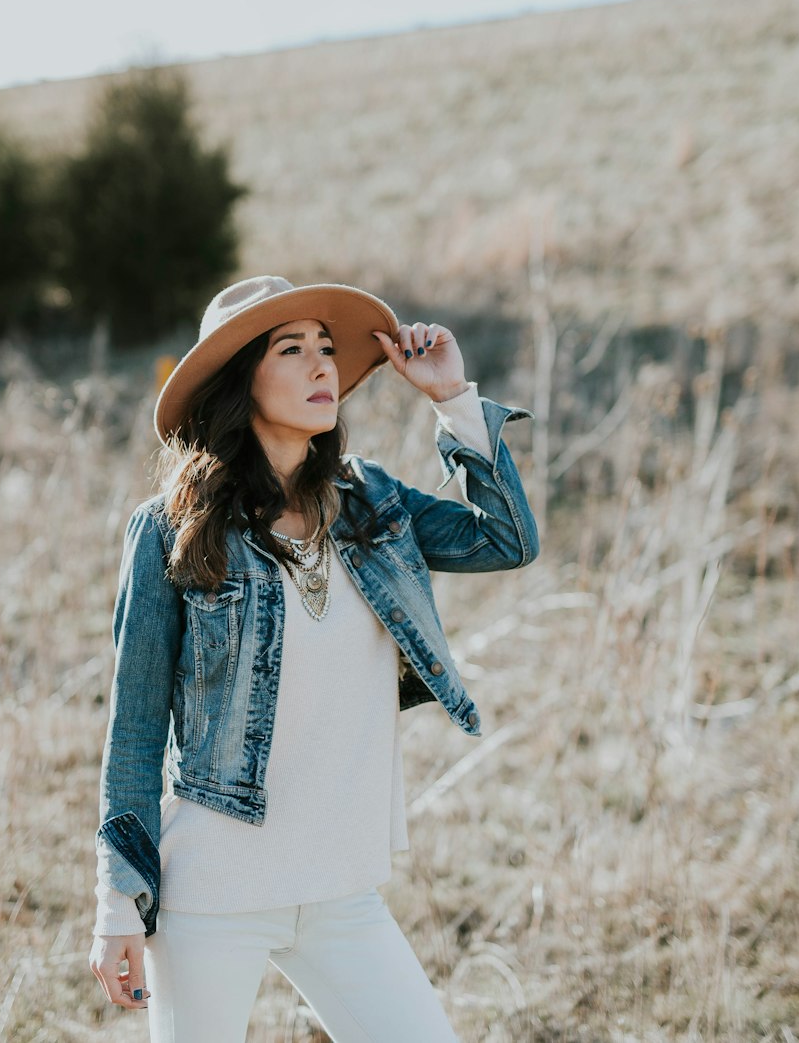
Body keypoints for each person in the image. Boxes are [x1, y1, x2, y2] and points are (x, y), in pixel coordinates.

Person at [88, 274, 539, 1041]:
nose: (322, 364)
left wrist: (453, 398)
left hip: (340, 886)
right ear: (240, 378)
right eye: (291, 349)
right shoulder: (170, 531)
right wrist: (117, 902)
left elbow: (507, 539)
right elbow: (132, 727)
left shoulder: (371, 506)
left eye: (326, 348)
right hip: (214, 891)